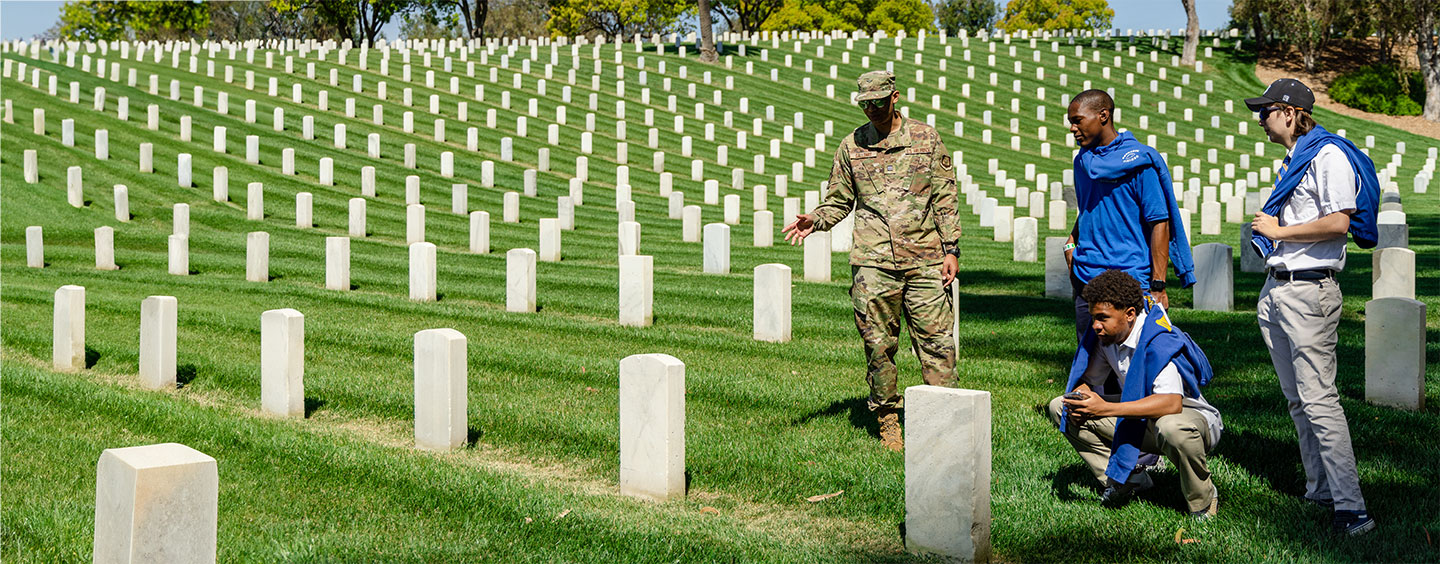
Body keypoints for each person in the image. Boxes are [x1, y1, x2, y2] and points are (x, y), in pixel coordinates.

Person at [781, 70, 960, 452]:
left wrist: (951, 249)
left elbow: (945, 197)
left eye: (878, 102)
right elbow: (840, 198)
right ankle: (887, 419)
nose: (872, 110)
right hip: (874, 261)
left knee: (937, 343)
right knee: (878, 346)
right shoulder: (852, 145)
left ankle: (945, 420)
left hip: (925, 258)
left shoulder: (926, 139)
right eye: (865, 104)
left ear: (894, 98)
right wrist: (816, 219)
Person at [1246, 78, 1380, 536]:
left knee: (1319, 399)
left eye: (1264, 112)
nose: (1259, 121)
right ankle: (1319, 490)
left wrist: (1278, 232)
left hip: (1309, 291)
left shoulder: (1328, 156)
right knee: (1297, 400)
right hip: (1278, 289)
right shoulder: (1294, 159)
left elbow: (1341, 222)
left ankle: (1353, 508)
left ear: (1288, 111)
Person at [1047, 269, 1223, 519]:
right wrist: (1082, 394)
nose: (1095, 325)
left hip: (1188, 418)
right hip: (1142, 419)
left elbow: (1171, 403)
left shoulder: (1157, 339)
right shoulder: (1105, 336)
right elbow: (1088, 381)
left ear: (1130, 314)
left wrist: (1104, 408)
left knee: (1172, 428)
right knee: (1061, 406)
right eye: (1093, 317)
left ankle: (1203, 501)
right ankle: (1128, 480)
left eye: (1103, 318)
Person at [1064, 89, 1196, 342]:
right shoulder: (1082, 161)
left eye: (1077, 120)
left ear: (1103, 115)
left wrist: (1158, 286)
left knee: (1133, 369)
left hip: (1130, 280)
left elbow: (1159, 222)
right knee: (1090, 369)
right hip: (1087, 278)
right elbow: (1091, 208)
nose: (1072, 128)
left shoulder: (1140, 163)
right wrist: (1070, 244)